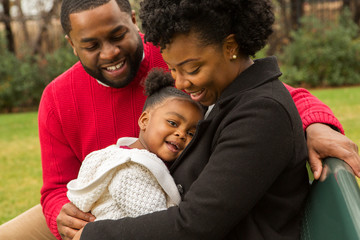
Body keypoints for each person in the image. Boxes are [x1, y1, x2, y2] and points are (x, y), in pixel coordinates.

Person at [0, 0, 358, 240]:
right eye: (92, 45)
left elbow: (276, 100)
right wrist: (65, 218)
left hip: (151, 208)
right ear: (71, 44)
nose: (109, 53)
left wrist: (314, 123)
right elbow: (54, 186)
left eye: (117, 35)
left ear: (134, 24)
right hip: (93, 198)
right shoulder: (58, 98)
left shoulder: (178, 48)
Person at [67, 69, 203, 221]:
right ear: (144, 120)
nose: (181, 134)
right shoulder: (132, 169)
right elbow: (153, 223)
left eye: (191, 133)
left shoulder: (128, 156)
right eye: (173, 123)